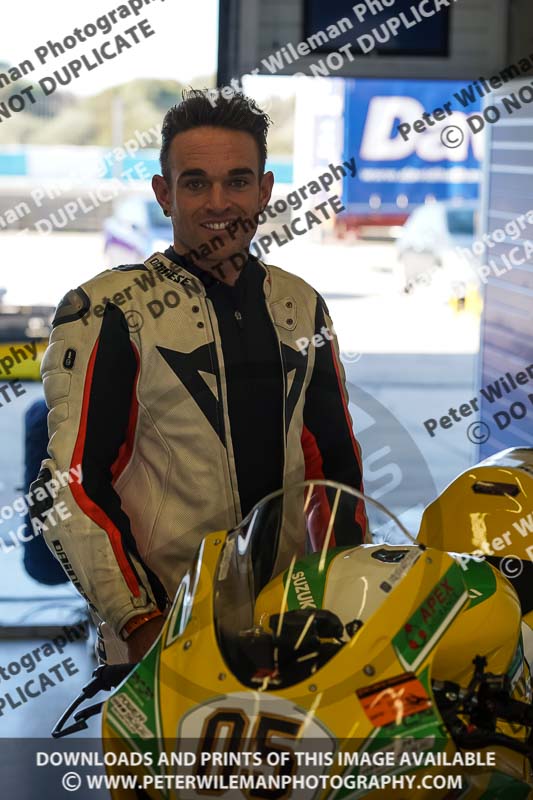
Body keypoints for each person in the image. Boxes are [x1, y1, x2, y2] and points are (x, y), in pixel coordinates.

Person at [30, 89, 366, 663]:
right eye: (195, 183)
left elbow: (334, 469)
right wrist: (141, 620)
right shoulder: (111, 310)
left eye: (238, 181)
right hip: (159, 639)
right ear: (164, 194)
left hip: (287, 631)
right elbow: (72, 485)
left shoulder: (300, 305)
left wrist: (344, 593)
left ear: (264, 191)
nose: (218, 202)